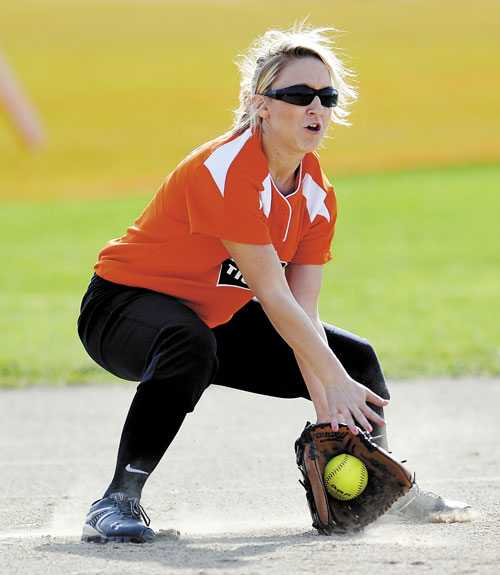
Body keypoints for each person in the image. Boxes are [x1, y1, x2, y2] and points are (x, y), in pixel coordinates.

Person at [78, 24, 470, 543]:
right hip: (120, 310)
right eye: (299, 95)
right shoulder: (224, 171)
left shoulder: (317, 195)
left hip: (213, 319)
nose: (316, 107)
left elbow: (301, 316)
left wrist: (334, 410)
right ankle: (117, 500)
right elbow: (273, 295)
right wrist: (329, 382)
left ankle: (380, 488)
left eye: (326, 97)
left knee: (353, 359)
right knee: (189, 342)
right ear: (261, 105)